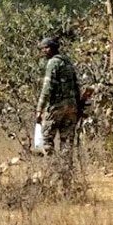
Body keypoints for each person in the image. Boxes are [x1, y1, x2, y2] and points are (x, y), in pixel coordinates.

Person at [35, 37, 82, 194]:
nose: (43, 51)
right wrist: (78, 106)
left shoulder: (53, 63)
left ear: (51, 48)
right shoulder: (67, 62)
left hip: (57, 107)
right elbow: (76, 85)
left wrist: (39, 109)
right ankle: (66, 182)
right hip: (71, 107)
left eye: (45, 48)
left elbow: (47, 88)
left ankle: (53, 173)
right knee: (67, 144)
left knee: (46, 139)